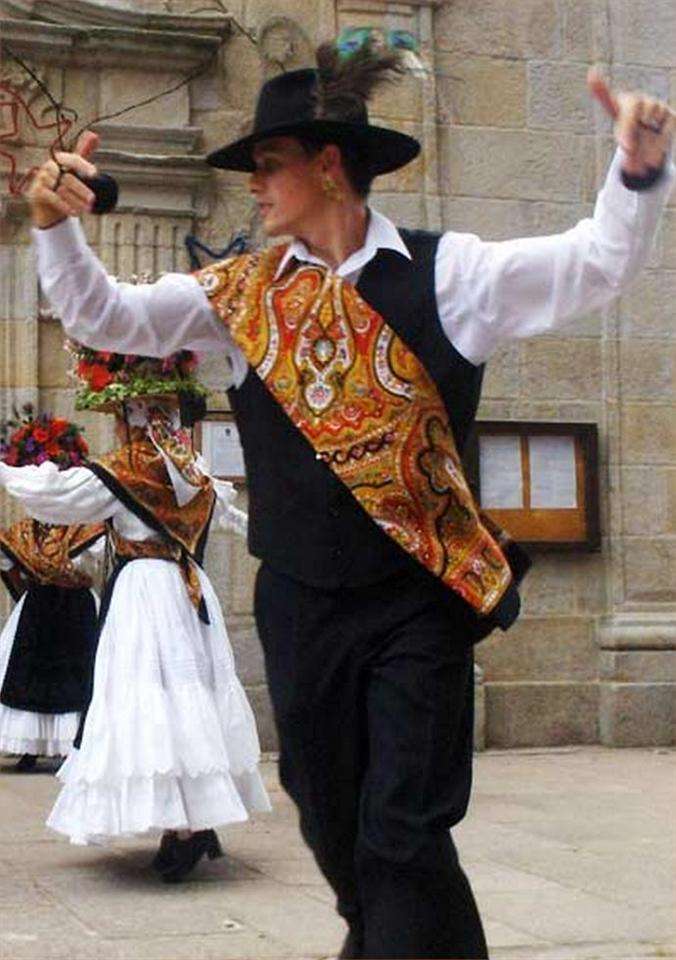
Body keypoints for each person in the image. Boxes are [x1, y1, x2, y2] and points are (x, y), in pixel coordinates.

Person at [25, 35, 674, 959]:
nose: (255, 187)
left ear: (330, 167)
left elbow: (596, 263)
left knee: (403, 827)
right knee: (328, 816)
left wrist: (637, 172)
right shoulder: (238, 300)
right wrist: (55, 227)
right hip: (300, 605)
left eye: (269, 166)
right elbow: (107, 317)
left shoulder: (454, 275)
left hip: (419, 602)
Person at [0, 350, 270, 882]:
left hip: (146, 594)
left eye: (122, 416)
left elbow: (55, 497)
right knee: (187, 702)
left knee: (151, 701)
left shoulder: (127, 470)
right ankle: (193, 821)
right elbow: (234, 518)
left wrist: (8, 469)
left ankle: (187, 828)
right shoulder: (191, 467)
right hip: (189, 592)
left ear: (133, 413)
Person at [0, 411, 103, 772]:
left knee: (79, 673)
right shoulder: (29, 527)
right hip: (40, 604)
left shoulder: (85, 526)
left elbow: (97, 556)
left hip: (75, 604)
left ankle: (72, 744)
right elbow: (9, 556)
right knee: (28, 670)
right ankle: (30, 747)